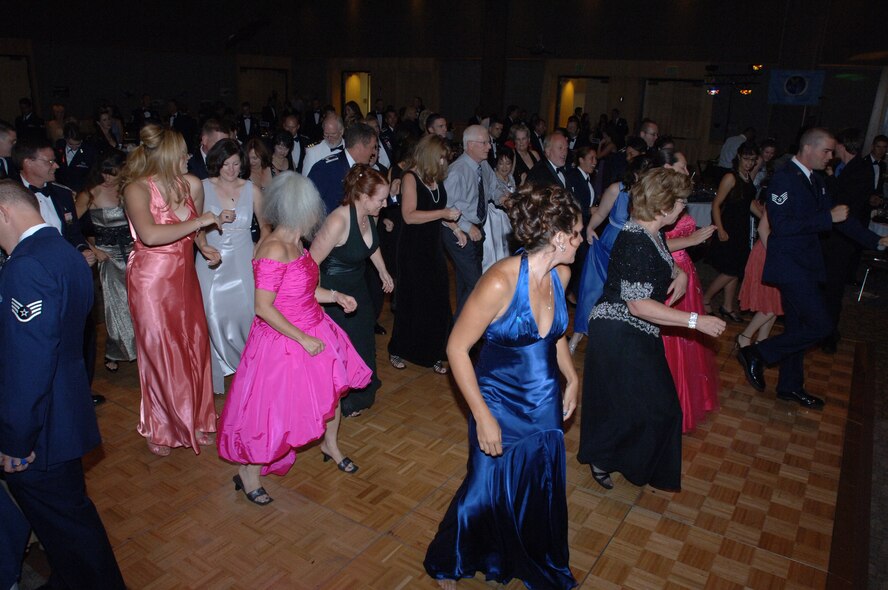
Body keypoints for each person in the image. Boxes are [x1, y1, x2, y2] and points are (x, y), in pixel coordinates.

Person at [424, 184, 583, 590]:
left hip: (543, 400)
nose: (582, 240)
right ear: (559, 237)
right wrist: (482, 417)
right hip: (497, 401)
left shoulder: (561, 274)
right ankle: (452, 557)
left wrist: (572, 377)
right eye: (578, 233)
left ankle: (530, 559)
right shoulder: (500, 281)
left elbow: (554, 334)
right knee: (484, 486)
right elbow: (457, 349)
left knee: (538, 486)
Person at [0, 180, 126, 589]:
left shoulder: (26, 266)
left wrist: (16, 440)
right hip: (66, 410)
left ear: (3, 212)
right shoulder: (67, 252)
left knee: (71, 530)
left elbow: (29, 365)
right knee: (67, 525)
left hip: (41, 429)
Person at [217, 172, 371, 504]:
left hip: (314, 327)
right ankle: (248, 473)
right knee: (273, 410)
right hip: (283, 339)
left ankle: (330, 445)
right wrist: (302, 339)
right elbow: (263, 307)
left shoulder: (297, 241)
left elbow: (304, 292)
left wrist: (336, 296)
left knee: (331, 393)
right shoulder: (273, 248)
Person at [578, 168, 725, 491]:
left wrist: (679, 273)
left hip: (636, 331)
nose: (684, 209)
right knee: (642, 404)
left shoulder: (650, 232)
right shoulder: (635, 239)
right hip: (618, 332)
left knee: (647, 405)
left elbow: (661, 257)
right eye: (681, 203)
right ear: (663, 206)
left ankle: (628, 462)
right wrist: (695, 321)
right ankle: (604, 457)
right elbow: (638, 305)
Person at [123, 124, 234, 456]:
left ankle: (195, 418)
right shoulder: (136, 189)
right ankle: (161, 426)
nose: (188, 157)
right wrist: (201, 223)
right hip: (151, 281)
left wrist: (203, 246)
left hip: (184, 276)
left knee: (192, 345)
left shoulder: (191, 184)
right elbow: (150, 235)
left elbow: (193, 229)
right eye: (183, 153)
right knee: (160, 352)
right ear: (167, 155)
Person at [736, 129, 849, 409]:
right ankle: (758, 353)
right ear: (808, 148)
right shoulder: (784, 178)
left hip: (806, 265)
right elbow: (782, 226)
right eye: (827, 151)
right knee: (821, 325)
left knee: (798, 326)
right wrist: (827, 218)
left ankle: (790, 386)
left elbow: (838, 216)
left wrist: (875, 241)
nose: (831, 156)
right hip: (789, 266)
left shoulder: (815, 179)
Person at [310, 165, 394, 416]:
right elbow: (311, 262)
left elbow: (371, 245)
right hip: (334, 292)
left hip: (357, 286)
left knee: (364, 338)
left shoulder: (369, 215)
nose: (386, 203)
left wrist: (383, 270)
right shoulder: (338, 220)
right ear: (364, 197)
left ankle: (362, 389)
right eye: (381, 199)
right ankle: (344, 401)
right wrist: (321, 298)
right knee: (343, 347)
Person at [195, 139, 266, 395]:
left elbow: (266, 225)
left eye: (236, 164)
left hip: (244, 257)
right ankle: (219, 368)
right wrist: (207, 236)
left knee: (248, 312)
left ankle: (251, 366)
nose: (231, 170)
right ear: (217, 163)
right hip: (211, 259)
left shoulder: (251, 189)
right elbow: (193, 226)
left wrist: (260, 246)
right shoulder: (203, 187)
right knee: (211, 314)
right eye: (226, 164)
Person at [657, 149, 720, 432]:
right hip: (668, 273)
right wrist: (691, 240)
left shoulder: (679, 196)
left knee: (689, 338)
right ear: (666, 167)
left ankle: (688, 398)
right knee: (671, 339)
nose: (687, 171)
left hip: (686, 272)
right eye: (682, 166)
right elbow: (654, 244)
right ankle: (670, 402)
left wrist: (696, 240)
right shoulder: (655, 199)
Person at [388, 135, 461, 373]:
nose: (443, 162)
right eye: (440, 157)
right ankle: (398, 349)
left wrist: (456, 228)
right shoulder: (410, 177)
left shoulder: (435, 179)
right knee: (411, 300)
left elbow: (440, 212)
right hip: (412, 249)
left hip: (432, 248)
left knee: (438, 299)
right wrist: (443, 214)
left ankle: (435, 352)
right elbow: (409, 216)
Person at [569, 156, 652, 354]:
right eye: (642, 175)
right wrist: (590, 229)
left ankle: (613, 341)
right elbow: (600, 213)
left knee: (623, 297)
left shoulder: (651, 193)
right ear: (634, 174)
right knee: (592, 290)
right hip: (608, 246)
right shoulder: (617, 189)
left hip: (633, 249)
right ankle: (577, 335)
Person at [74, 151, 137, 372]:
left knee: (138, 304)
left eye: (113, 173)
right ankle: (113, 351)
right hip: (108, 256)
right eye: (104, 173)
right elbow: (69, 227)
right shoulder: (91, 193)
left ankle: (140, 347)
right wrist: (92, 248)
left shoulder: (130, 190)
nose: (108, 178)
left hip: (135, 254)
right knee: (116, 306)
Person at [702, 141, 759, 323]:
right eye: (746, 159)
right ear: (739, 157)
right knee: (732, 270)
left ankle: (727, 306)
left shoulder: (746, 177)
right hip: (729, 226)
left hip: (741, 227)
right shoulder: (730, 177)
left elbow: (747, 203)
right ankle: (705, 299)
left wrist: (765, 216)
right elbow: (716, 204)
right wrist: (720, 229)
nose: (749, 163)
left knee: (735, 269)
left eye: (752, 160)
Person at [442, 124, 492, 319]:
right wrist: (466, 226)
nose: (489, 146)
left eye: (489, 142)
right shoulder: (457, 171)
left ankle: (460, 328)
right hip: (457, 232)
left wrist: (504, 198)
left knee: (466, 286)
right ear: (470, 145)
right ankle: (461, 331)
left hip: (477, 231)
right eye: (484, 143)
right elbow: (444, 208)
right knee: (476, 285)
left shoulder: (483, 165)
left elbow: (493, 188)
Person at [482, 147, 516, 272]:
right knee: (494, 252)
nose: (504, 167)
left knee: (507, 249)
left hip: (508, 219)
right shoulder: (493, 179)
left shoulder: (511, 177)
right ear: (496, 163)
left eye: (508, 163)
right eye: (501, 163)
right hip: (495, 220)